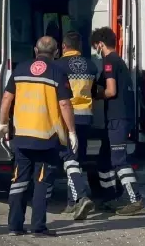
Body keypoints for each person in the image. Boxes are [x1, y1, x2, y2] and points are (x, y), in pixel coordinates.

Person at [0, 36, 78, 237]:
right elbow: (65, 104)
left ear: (35, 50)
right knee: (42, 183)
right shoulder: (58, 72)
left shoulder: (21, 69)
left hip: (22, 136)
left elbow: (7, 98)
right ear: (56, 52)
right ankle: (38, 227)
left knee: (19, 181)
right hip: (47, 138)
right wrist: (72, 132)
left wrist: (3, 123)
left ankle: (15, 226)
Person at [91, 27, 145, 215]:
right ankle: (110, 197)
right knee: (103, 160)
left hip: (117, 118)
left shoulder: (109, 62)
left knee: (118, 160)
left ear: (100, 44)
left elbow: (111, 91)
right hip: (118, 117)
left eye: (95, 46)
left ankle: (135, 199)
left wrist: (96, 95)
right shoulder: (119, 62)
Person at [54, 31, 98, 219]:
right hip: (86, 117)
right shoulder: (91, 65)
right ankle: (72, 202)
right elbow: (94, 91)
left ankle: (81, 197)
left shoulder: (57, 66)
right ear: (79, 46)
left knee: (68, 158)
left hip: (68, 117)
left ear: (64, 47)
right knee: (76, 159)